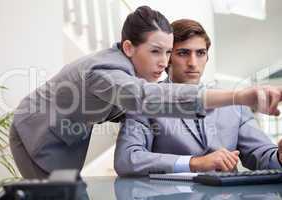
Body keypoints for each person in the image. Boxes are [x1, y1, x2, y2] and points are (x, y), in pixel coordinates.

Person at [10, 6, 281, 179]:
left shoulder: (136, 76)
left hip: (72, 132)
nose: (165, 62)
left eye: (167, 52)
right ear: (128, 48)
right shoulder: (107, 73)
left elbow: (263, 155)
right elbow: (148, 102)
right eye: (177, 53)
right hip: (38, 133)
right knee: (63, 194)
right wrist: (239, 96)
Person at [114, 19, 282, 176]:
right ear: (167, 58)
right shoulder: (144, 100)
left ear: (207, 57)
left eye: (200, 53)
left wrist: (279, 156)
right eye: (183, 53)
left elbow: (263, 156)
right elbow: (127, 159)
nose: (193, 62)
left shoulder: (234, 103)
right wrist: (194, 163)